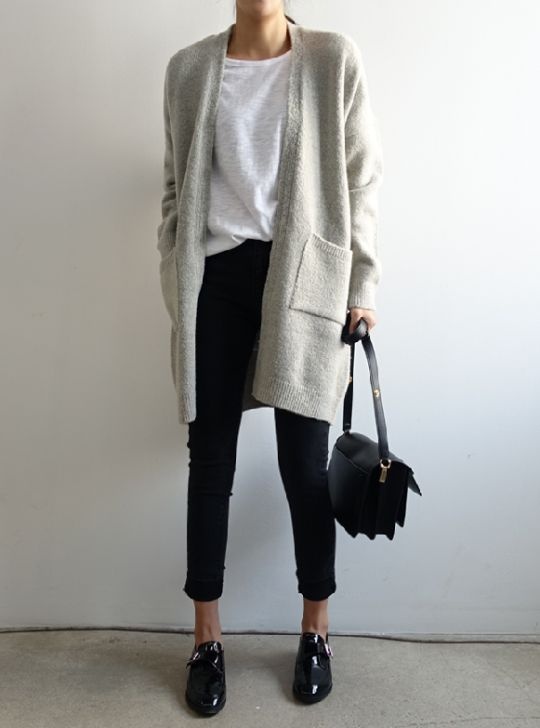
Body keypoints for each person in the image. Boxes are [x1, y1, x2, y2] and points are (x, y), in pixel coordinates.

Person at [157, 0, 383, 716]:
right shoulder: (188, 69)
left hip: (303, 276)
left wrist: (362, 285)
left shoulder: (331, 58)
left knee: (303, 464)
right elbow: (175, 187)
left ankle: (316, 630)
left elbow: (360, 178)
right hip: (215, 281)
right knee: (210, 461)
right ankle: (206, 640)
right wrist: (175, 267)